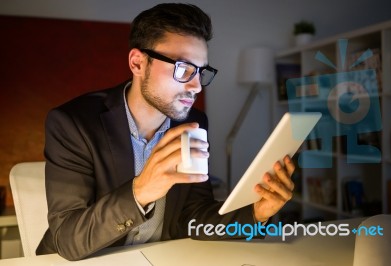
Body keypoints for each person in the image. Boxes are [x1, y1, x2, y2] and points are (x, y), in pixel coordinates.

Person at [36, 3, 295, 261]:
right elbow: (68, 239)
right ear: (138, 63)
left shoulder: (194, 122)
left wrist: (256, 214)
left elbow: (193, 217)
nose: (196, 86)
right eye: (183, 69)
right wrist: (141, 192)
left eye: (201, 71)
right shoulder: (73, 123)